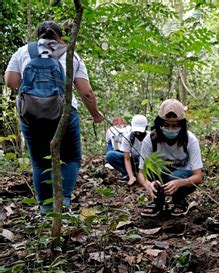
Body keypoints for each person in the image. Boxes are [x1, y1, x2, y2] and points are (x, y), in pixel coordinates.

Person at [5, 21, 103, 214]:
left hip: (31, 115)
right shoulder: (71, 54)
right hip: (63, 114)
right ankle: (63, 202)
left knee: (40, 162)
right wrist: (96, 115)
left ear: (37, 35)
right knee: (71, 158)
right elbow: (87, 93)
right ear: (60, 36)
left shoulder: (23, 51)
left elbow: (11, 82)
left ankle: (45, 208)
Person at [138, 99, 203, 217]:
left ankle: (179, 201)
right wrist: (148, 184)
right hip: (159, 175)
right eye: (166, 125)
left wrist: (179, 183)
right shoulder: (150, 140)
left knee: (176, 175)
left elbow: (198, 176)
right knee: (151, 171)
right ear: (159, 124)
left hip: (181, 176)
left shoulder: (190, 140)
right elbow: (141, 173)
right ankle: (157, 202)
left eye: (175, 126)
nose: (170, 129)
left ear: (181, 125)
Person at [105, 115, 148, 186]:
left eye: (140, 131)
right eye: (136, 131)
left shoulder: (151, 137)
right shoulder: (128, 138)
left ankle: (145, 176)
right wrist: (131, 177)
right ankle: (130, 175)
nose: (137, 133)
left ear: (146, 128)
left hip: (147, 163)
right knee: (110, 155)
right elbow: (127, 159)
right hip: (133, 161)